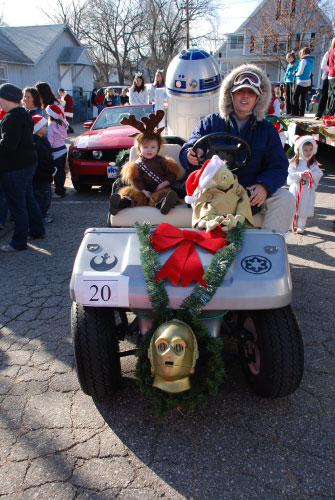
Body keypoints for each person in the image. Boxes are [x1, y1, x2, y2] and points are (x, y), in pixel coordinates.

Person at [179, 64, 295, 234]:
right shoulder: (211, 122)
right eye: (240, 92)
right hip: (214, 191)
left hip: (249, 191)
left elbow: (278, 166)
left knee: (285, 198)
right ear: (230, 95)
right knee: (197, 192)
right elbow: (192, 144)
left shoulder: (267, 130)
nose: (244, 97)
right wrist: (191, 154)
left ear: (258, 98)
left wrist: (264, 186)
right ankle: (205, 249)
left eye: (250, 93)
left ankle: (266, 250)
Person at [0, 83, 45, 251]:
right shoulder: (24, 114)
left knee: (17, 205)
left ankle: (19, 242)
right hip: (28, 162)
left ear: (6, 99)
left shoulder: (11, 117)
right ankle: (37, 230)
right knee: (28, 198)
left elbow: (8, 147)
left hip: (15, 167)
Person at [109, 110, 179, 215]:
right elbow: (136, 180)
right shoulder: (136, 165)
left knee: (163, 195)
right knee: (130, 195)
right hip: (141, 191)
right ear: (139, 148)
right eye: (145, 147)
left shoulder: (163, 161)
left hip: (158, 189)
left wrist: (164, 183)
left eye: (153, 147)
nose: (149, 150)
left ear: (158, 148)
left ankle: (164, 204)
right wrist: (143, 190)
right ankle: (119, 204)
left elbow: (171, 175)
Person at [287, 136, 323, 234]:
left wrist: (310, 174)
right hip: (296, 188)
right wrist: (300, 174)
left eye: (310, 150)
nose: (308, 152)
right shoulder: (295, 162)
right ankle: (291, 225)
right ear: (300, 150)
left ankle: (301, 226)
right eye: (305, 150)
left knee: (304, 208)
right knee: (293, 207)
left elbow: (319, 173)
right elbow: (290, 175)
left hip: (307, 189)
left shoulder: (313, 163)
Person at [32, 115, 57, 223]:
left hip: (44, 174)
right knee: (43, 196)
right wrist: (51, 169)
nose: (46, 128)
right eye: (44, 126)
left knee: (44, 195)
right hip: (41, 174)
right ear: (38, 128)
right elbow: (43, 160)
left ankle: (42, 214)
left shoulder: (42, 140)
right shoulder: (37, 143)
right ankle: (42, 215)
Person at [46, 104, 68, 198]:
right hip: (63, 148)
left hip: (56, 151)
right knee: (62, 171)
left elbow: (50, 140)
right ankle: (61, 189)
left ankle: (59, 192)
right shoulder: (62, 123)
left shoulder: (51, 125)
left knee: (56, 172)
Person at [292, 47, 314, 117]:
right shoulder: (311, 60)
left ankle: (295, 112)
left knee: (295, 96)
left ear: (303, 53)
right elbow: (309, 72)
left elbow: (300, 71)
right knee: (303, 97)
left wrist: (295, 73)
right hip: (307, 80)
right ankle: (301, 113)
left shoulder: (303, 60)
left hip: (301, 80)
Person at [315, 49, 330, 120]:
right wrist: (332, 69)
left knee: (331, 96)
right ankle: (319, 113)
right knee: (325, 95)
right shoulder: (328, 53)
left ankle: (328, 113)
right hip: (327, 75)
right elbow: (323, 65)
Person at [326, 38, 335, 116]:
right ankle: (330, 114)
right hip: (334, 75)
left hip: (331, 74)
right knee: (333, 95)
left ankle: (329, 113)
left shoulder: (332, 51)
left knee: (331, 95)